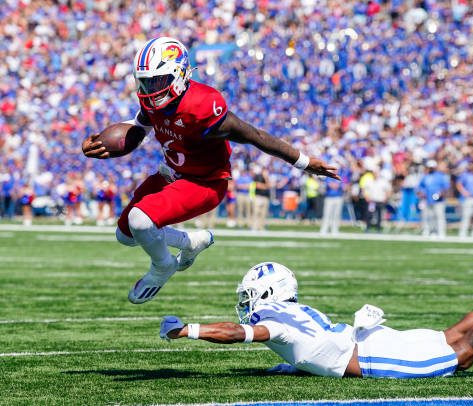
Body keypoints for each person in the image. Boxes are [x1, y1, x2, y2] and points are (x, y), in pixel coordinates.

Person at [81, 37, 339, 304]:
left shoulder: (202, 106)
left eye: (157, 81)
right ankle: (189, 242)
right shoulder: (154, 102)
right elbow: (138, 129)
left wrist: (305, 162)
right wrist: (103, 141)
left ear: (179, 74)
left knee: (139, 221)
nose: (149, 89)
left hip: (203, 183)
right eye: (145, 81)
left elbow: (255, 135)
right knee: (125, 235)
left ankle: (162, 267)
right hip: (170, 173)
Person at [159, 262, 473, 379]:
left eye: (250, 297)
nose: (247, 304)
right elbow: (312, 349)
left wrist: (187, 330)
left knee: (458, 355)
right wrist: (292, 364)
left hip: (373, 356)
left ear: (268, 295)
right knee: (451, 337)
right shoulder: (295, 311)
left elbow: (235, 333)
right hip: (368, 340)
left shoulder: (275, 322)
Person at [417, 160, 450, 238]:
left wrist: (440, 194)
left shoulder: (441, 176)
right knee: (428, 217)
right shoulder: (425, 177)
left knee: (439, 217)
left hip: (438, 200)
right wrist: (421, 194)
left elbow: (445, 188)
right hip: (427, 200)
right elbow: (419, 187)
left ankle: (441, 232)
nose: (431, 169)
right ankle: (428, 231)